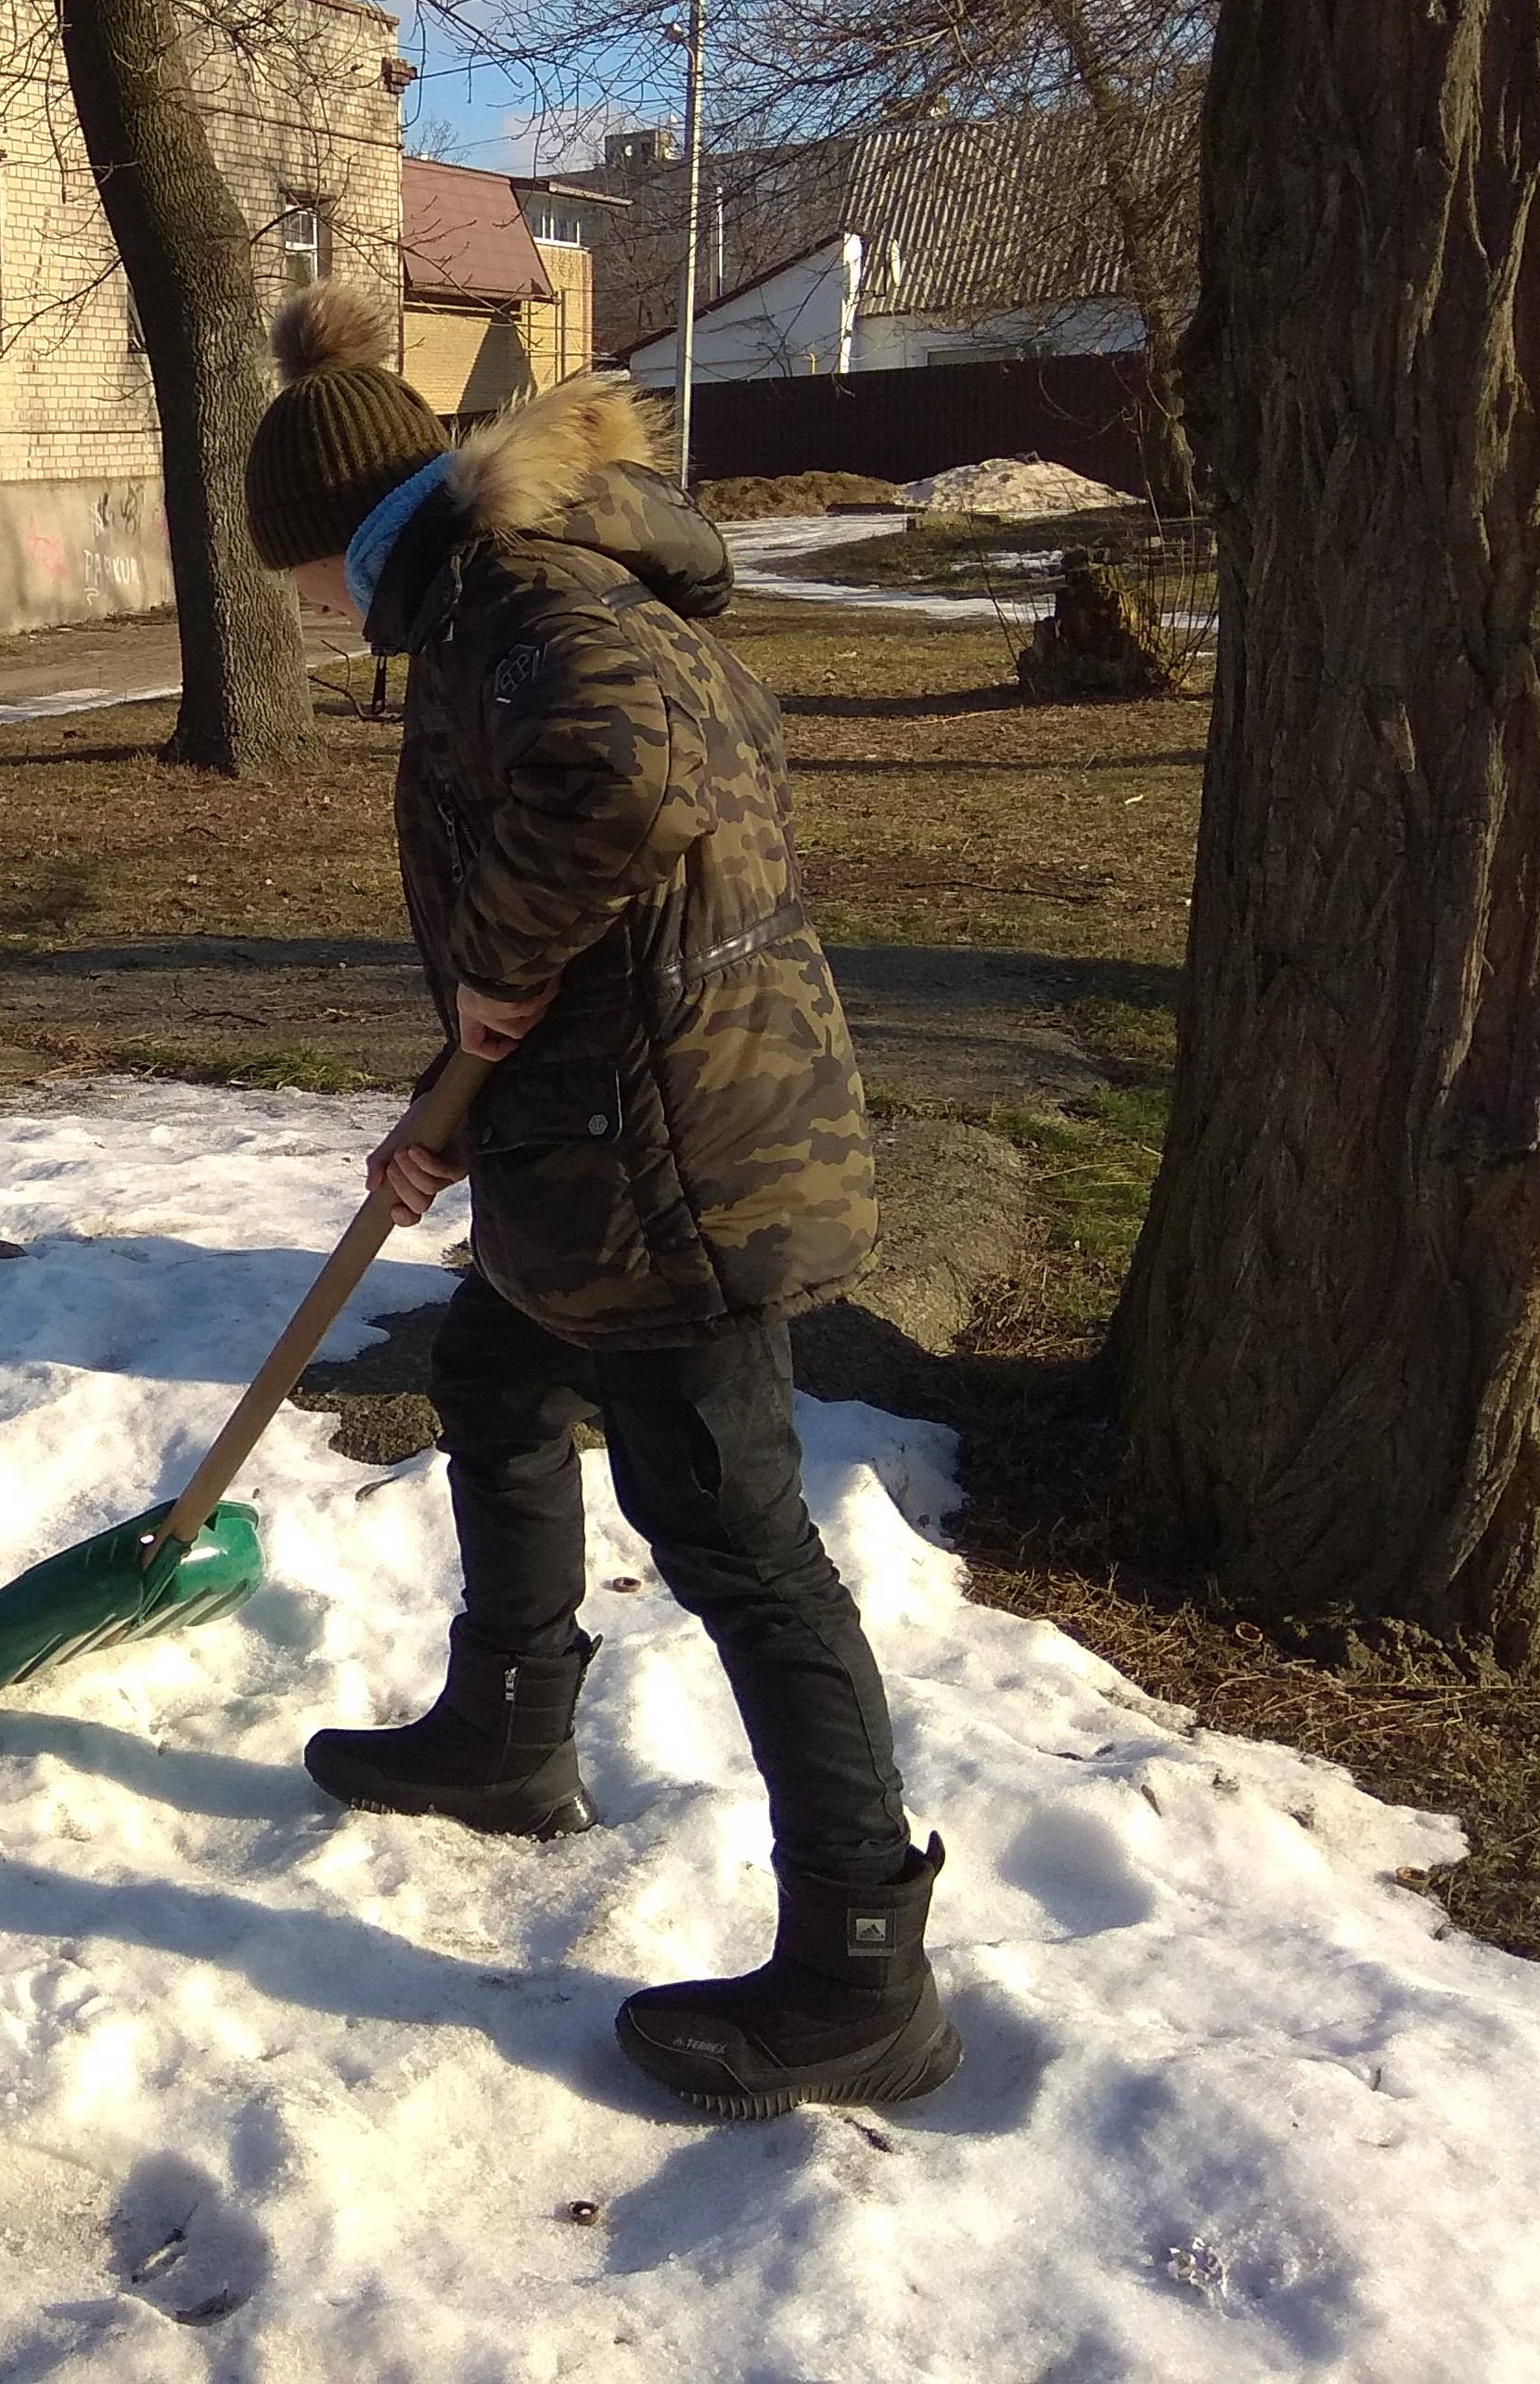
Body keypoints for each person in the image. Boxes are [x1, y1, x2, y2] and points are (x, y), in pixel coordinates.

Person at [240, 276, 955, 2116]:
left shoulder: (523, 606)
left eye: (300, 582)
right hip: (598, 1130)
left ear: (346, 544)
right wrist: (445, 1113)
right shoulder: (503, 596)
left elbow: (628, 776)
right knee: (488, 1375)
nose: (309, 620)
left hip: (676, 1161)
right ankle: (505, 1731)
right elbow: (554, 942)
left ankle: (862, 1963)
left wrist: (487, 954)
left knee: (728, 1528)